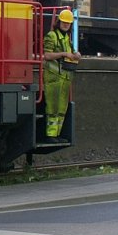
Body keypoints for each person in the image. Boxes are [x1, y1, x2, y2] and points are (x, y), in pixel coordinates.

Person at [42, 9, 81, 143]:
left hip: (64, 77)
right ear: (59, 22)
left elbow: (71, 52)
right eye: (64, 22)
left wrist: (76, 54)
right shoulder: (51, 36)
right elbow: (47, 55)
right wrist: (64, 54)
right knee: (52, 107)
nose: (65, 25)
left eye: (68, 23)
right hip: (52, 77)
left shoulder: (67, 38)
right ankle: (50, 135)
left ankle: (57, 134)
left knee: (61, 108)